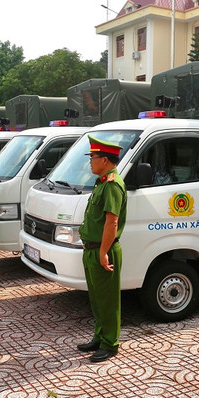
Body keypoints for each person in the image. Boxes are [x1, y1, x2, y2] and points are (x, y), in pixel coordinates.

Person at [76, 135, 127, 363]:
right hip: (93, 249)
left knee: (108, 300)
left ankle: (110, 343)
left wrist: (103, 252)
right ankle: (99, 336)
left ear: (104, 160)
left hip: (102, 249)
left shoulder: (112, 185)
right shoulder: (101, 182)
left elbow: (112, 222)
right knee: (97, 299)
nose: (90, 162)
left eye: (93, 157)